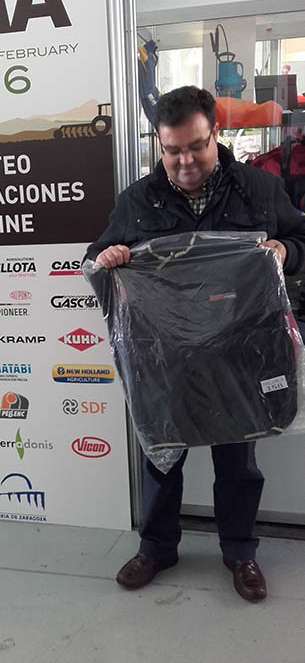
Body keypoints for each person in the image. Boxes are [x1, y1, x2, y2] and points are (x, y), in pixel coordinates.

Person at [85, 86, 305, 603]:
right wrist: (107, 258)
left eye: (196, 146)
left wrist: (284, 250)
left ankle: (240, 552)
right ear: (159, 146)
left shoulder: (259, 190)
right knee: (161, 458)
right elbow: (96, 258)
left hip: (241, 354)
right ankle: (157, 548)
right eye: (172, 150)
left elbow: (303, 242)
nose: (185, 161)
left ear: (215, 135)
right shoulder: (137, 201)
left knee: (238, 461)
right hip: (165, 358)